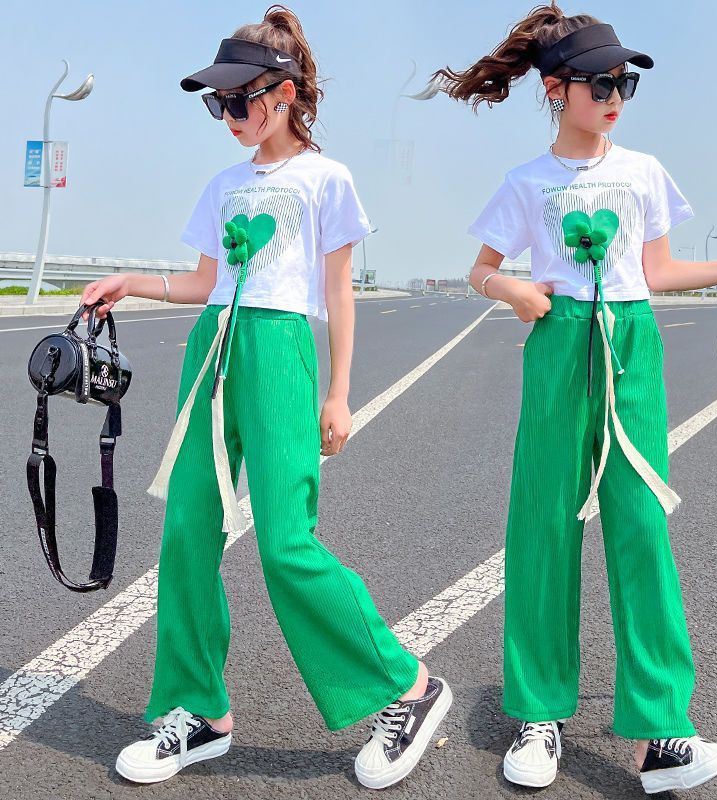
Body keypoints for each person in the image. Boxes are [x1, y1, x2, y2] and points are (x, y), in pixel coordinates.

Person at [80, 6, 450, 790]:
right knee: (186, 531)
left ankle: (409, 687)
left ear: (282, 93)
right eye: (215, 104)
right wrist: (128, 283)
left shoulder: (327, 179)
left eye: (236, 101)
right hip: (211, 351)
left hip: (281, 352)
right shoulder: (223, 185)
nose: (226, 117)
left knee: (286, 543)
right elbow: (199, 285)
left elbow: (339, 295)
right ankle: (198, 710)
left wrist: (340, 394)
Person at [431, 2, 717, 794]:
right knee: (543, 527)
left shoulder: (644, 171)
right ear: (557, 89)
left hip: (631, 346)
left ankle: (662, 735)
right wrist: (513, 290)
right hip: (559, 344)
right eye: (601, 81)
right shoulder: (526, 183)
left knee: (640, 528)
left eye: (625, 80)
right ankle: (536, 713)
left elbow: (654, 273)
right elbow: (478, 270)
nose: (617, 93)